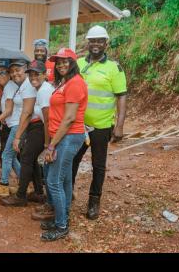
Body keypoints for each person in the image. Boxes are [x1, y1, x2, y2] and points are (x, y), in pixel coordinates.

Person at [72, 25, 127, 220]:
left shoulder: (114, 68)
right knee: (72, 160)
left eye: (99, 41)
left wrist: (119, 125)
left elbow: (121, 97)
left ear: (106, 43)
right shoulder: (77, 64)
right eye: (92, 40)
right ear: (88, 43)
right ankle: (67, 194)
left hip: (101, 127)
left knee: (98, 166)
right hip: (77, 125)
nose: (95, 44)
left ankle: (94, 201)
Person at [38, 48, 87, 242]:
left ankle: (61, 226)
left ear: (73, 63)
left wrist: (51, 146)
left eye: (65, 61)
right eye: (58, 63)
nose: (61, 65)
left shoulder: (75, 83)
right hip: (61, 137)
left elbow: (69, 119)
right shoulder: (65, 83)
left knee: (53, 181)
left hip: (69, 136)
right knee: (63, 180)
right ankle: (62, 217)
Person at [0, 60, 54, 207]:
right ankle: (38, 192)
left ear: (45, 74)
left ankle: (21, 196)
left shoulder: (40, 89)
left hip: (40, 127)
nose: (33, 77)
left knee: (26, 158)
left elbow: (30, 112)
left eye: (36, 74)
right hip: (36, 126)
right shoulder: (35, 87)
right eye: (31, 74)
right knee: (31, 158)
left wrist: (47, 144)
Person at [0, 60, 37, 197]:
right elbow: (7, 109)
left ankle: (4, 185)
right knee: (13, 158)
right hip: (13, 124)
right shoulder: (10, 87)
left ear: (8, 74)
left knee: (6, 155)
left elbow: (8, 112)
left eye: (3, 72)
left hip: (16, 125)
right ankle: (25, 184)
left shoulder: (9, 86)